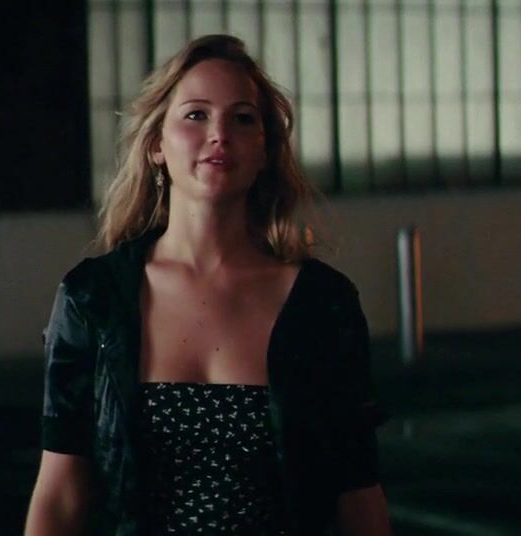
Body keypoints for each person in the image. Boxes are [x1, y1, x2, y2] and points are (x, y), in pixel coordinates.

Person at [25, 34, 392, 535]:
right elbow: (61, 493)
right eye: (196, 115)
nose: (219, 134)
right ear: (156, 144)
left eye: (242, 118)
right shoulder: (94, 299)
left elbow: (358, 492)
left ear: (265, 150)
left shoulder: (322, 304)